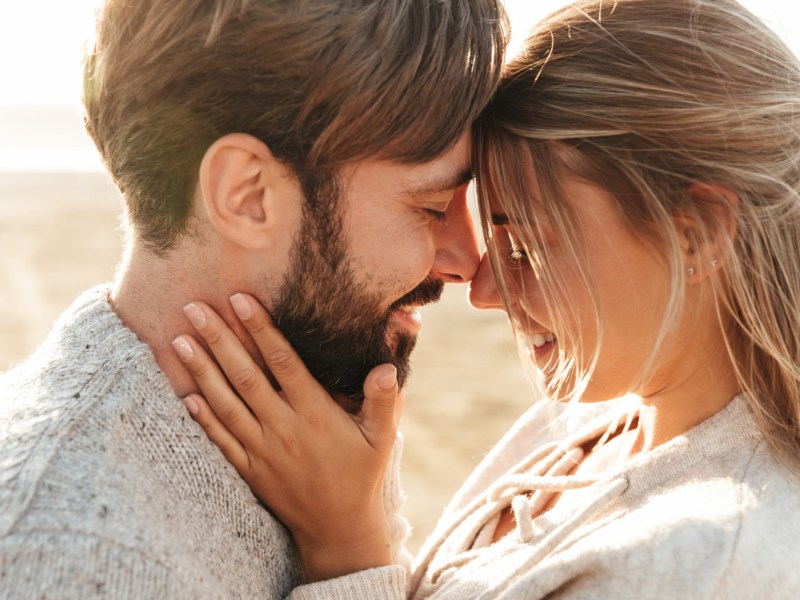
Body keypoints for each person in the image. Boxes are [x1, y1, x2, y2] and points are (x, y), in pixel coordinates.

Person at [178, 0, 800, 597]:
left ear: (695, 233)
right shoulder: (590, 420)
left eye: (525, 248)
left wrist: (344, 547)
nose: (483, 290)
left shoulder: (703, 564)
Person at [0, 1, 508, 597]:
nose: (468, 262)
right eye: (430, 207)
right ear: (246, 195)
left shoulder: (316, 441)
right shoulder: (74, 554)